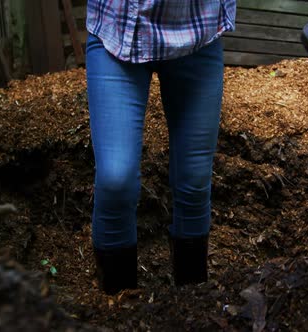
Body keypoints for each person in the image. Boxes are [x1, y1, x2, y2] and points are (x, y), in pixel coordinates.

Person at [85, 0, 236, 294]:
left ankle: (192, 302)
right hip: (118, 29)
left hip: (198, 30)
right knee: (116, 178)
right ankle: (120, 308)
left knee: (194, 180)